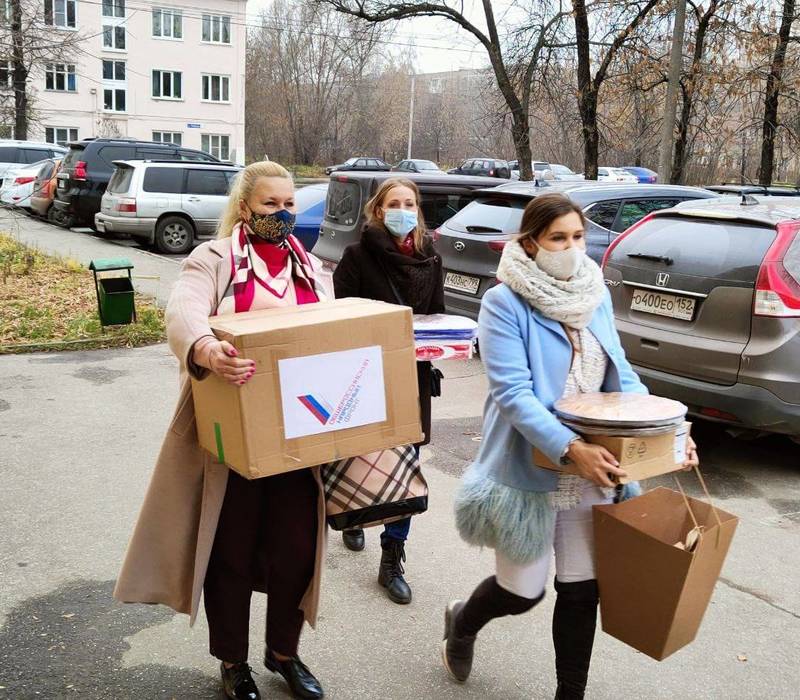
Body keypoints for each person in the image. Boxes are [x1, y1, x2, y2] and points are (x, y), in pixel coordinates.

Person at [442, 193, 699, 699]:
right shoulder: (504, 301)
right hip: (530, 467)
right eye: (558, 238)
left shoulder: (594, 293)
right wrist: (568, 447)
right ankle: (462, 623)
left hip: (594, 466)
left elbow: (622, 377)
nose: (570, 247)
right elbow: (513, 394)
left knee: (583, 590)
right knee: (521, 593)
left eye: (578, 236)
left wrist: (670, 438)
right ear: (531, 241)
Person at [114, 161, 333, 700]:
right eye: (269, 205)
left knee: (297, 550)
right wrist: (206, 348)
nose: (281, 215)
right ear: (244, 208)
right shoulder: (212, 258)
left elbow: (332, 327)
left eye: (288, 205)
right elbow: (183, 310)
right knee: (231, 550)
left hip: (299, 432)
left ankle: (283, 652)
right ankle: (233, 661)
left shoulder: (308, 265)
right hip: (231, 437)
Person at [332, 177, 445, 605]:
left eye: (410, 203)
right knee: (359, 456)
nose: (403, 210)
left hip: (412, 376)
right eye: (394, 203)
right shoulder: (357, 256)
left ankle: (392, 557)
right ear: (379, 211)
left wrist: (444, 343)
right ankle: (356, 517)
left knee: (407, 468)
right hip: (363, 375)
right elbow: (340, 320)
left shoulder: (430, 257)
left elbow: (438, 318)